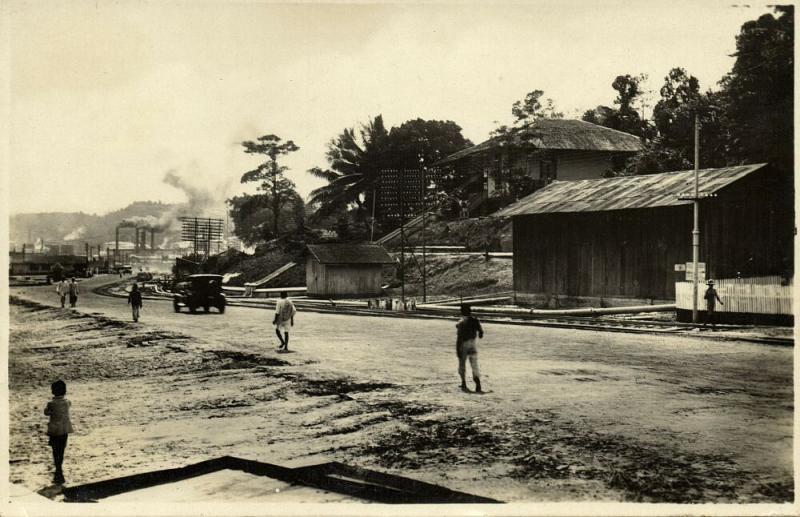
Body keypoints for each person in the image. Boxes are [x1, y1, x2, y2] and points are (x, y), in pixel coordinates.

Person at [44, 380, 74, 484]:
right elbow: (69, 405)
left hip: (54, 431)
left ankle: (58, 471)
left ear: (52, 391)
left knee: (55, 451)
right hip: (64, 430)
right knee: (61, 451)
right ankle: (59, 472)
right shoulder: (67, 402)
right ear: (65, 391)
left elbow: (46, 413)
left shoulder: (51, 404)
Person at [456, 304, 484, 393]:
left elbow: (459, 337)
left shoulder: (461, 322)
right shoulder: (475, 320)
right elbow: (481, 333)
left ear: (462, 311)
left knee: (462, 364)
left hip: (464, 343)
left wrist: (458, 349)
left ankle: (464, 382)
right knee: (474, 364)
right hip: (473, 343)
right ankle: (477, 382)